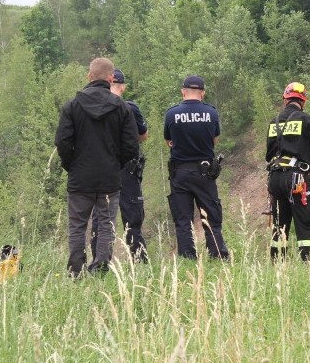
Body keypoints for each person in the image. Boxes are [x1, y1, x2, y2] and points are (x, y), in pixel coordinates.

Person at [55, 57, 139, 276]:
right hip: (109, 179)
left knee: (77, 225)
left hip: (79, 177)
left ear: (89, 76)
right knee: (106, 225)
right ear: (111, 78)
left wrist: (71, 165)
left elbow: (62, 142)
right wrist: (115, 164)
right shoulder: (122, 108)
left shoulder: (72, 106)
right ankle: (100, 269)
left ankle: (76, 271)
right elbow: (131, 146)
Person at [163, 74, 230, 260]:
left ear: (183, 91)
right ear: (203, 93)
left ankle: (187, 257)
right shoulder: (212, 113)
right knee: (210, 216)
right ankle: (217, 255)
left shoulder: (172, 113)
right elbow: (214, 139)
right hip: (205, 172)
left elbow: (168, 140)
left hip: (180, 172)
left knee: (183, 219)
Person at [90, 68, 150, 263]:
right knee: (132, 219)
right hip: (127, 170)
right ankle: (139, 262)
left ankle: (99, 263)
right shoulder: (130, 108)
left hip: (102, 169)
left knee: (101, 218)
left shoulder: (92, 107)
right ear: (122, 87)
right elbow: (143, 136)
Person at [265, 82, 310, 261]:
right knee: (305, 222)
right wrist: (307, 158)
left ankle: (278, 263)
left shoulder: (274, 122)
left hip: (275, 178)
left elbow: (268, 154)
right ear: (303, 101)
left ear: (285, 99)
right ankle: (308, 262)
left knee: (280, 224)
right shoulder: (307, 120)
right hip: (297, 178)